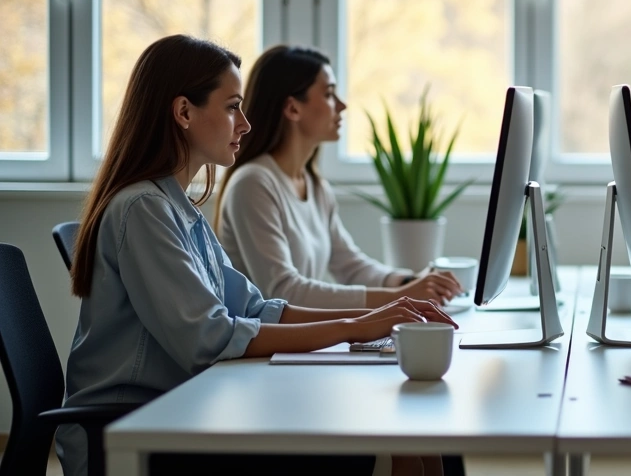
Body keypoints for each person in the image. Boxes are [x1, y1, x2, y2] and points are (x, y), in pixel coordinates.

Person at [57, 35, 455, 476]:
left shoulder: (178, 207)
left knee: (417, 442)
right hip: (133, 427)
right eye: (232, 107)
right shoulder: (143, 208)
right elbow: (209, 338)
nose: (245, 124)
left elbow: (256, 308)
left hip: (185, 406)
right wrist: (354, 326)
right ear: (184, 112)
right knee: (388, 445)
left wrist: (373, 317)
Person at [216, 45, 461, 309]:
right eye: (329, 94)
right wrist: (399, 297)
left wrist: (411, 281)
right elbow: (284, 291)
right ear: (293, 108)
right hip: (263, 336)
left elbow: (350, 266)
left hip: (297, 335)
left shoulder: (315, 185)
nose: (342, 105)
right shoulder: (253, 184)